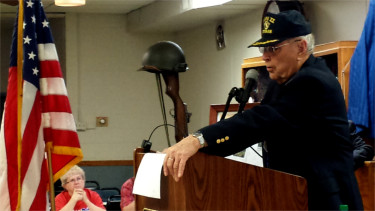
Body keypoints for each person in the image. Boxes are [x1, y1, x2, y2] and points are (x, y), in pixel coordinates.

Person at [162, 10, 364, 210]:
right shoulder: (283, 80)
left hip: (326, 200)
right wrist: (201, 149)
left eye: (273, 48)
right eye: (263, 49)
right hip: (295, 195)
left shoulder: (312, 81)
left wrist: (197, 139)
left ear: (301, 47)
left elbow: (259, 122)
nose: (265, 57)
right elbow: (257, 125)